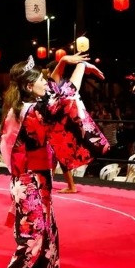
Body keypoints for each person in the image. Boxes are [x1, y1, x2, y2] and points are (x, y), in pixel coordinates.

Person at [0, 55, 108, 268]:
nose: (46, 82)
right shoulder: (31, 112)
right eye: (41, 80)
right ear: (29, 87)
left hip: (38, 180)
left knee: (49, 236)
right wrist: (79, 67)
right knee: (31, 241)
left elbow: (54, 91)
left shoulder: (25, 107)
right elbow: (65, 97)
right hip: (28, 182)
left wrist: (64, 62)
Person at [44, 53, 103, 193]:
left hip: (62, 125)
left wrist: (65, 61)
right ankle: (62, 184)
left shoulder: (58, 89)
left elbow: (56, 77)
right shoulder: (65, 89)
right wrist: (83, 65)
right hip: (63, 125)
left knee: (58, 156)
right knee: (58, 156)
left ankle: (62, 184)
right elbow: (74, 74)